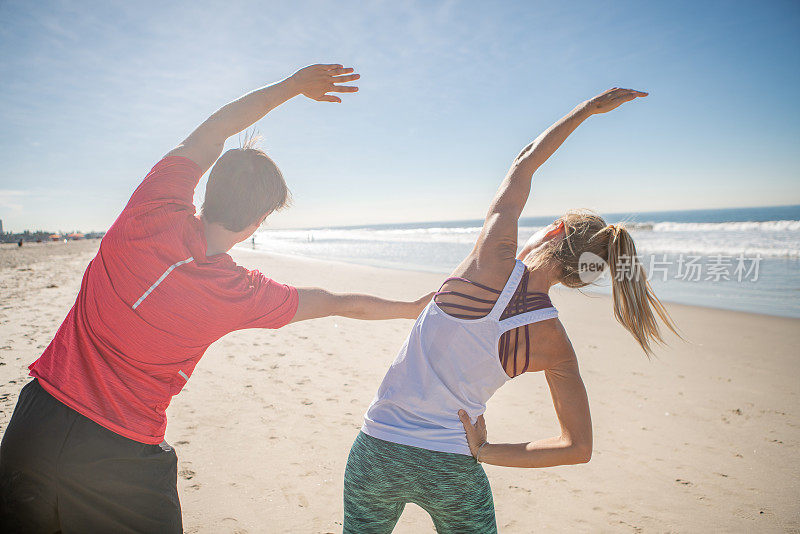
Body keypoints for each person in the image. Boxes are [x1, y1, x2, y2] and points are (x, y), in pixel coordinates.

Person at [0, 63, 431, 533]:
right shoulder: (240, 293)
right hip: (120, 455)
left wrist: (292, 87)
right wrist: (411, 309)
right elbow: (337, 302)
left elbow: (218, 128)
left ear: (207, 188)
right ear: (258, 222)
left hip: (35, 424)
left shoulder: (153, 205)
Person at [343, 87, 681, 533]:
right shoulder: (553, 341)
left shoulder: (491, 258)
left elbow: (524, 163)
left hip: (378, 451)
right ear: (583, 277)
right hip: (453, 467)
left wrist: (588, 110)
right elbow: (577, 448)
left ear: (556, 228)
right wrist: (486, 452)